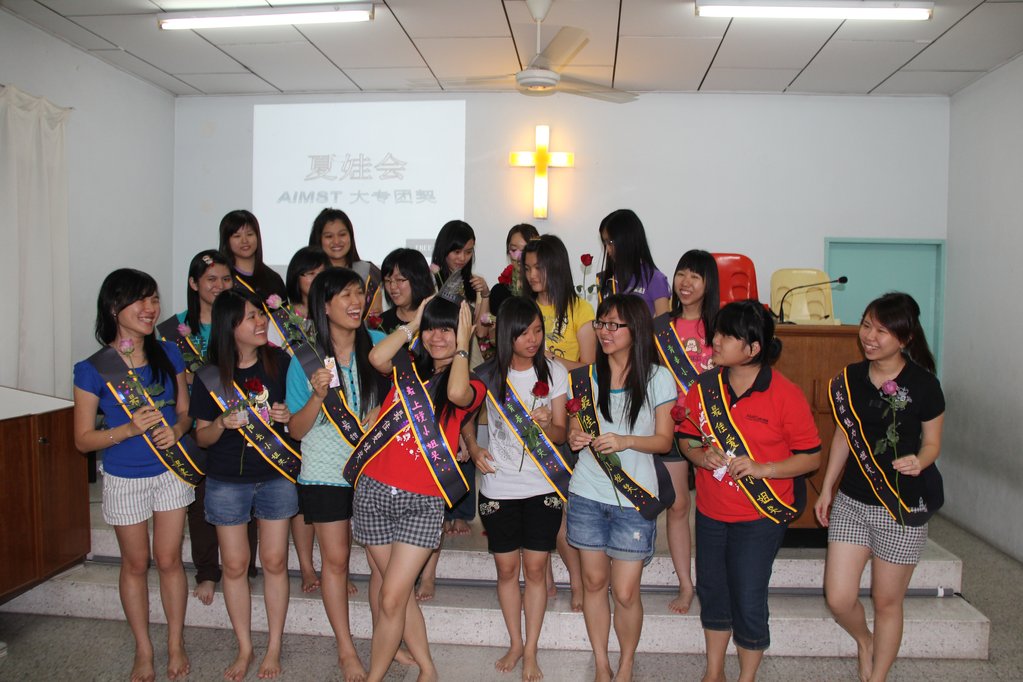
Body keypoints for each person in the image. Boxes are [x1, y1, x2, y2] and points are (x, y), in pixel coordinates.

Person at [677, 299, 821, 682]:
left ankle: (746, 677)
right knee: (712, 590)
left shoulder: (785, 394)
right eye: (717, 332)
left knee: (748, 595)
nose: (715, 340)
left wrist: (764, 469)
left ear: (754, 348)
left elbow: (811, 457)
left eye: (727, 335)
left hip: (760, 515)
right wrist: (700, 455)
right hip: (711, 512)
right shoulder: (704, 387)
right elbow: (685, 439)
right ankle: (714, 672)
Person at [346, 295, 486, 682]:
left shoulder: (473, 383)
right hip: (373, 492)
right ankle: (427, 666)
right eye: (431, 328)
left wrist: (463, 343)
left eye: (447, 329)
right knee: (400, 594)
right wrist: (413, 323)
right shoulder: (406, 367)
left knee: (392, 596)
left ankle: (374, 677)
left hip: (422, 503)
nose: (436, 336)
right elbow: (376, 356)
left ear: (462, 333)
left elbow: (456, 395)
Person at [814, 292, 945, 682]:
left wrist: (920, 460)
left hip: (902, 507)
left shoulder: (924, 385)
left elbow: (933, 443)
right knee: (839, 597)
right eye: (867, 325)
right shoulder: (850, 378)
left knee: (887, 602)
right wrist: (827, 488)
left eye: (882, 331)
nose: (870, 336)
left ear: (905, 338)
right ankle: (864, 640)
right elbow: (845, 434)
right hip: (853, 501)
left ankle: (878, 676)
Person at [73, 268, 195, 682]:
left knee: (169, 559)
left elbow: (184, 411)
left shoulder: (169, 354)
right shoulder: (93, 368)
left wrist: (177, 429)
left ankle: (175, 642)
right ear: (114, 307)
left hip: (170, 471)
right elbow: (83, 440)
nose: (150, 308)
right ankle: (144, 648)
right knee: (136, 562)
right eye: (140, 300)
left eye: (154, 299)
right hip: (125, 476)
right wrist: (127, 430)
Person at [566, 294, 676, 682]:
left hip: (634, 497)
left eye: (614, 325)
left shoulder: (658, 378)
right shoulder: (583, 378)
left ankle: (627, 662)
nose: (604, 331)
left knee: (626, 591)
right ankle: (601, 662)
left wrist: (626, 441)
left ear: (636, 330)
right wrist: (576, 436)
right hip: (587, 492)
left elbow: (664, 440)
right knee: (594, 582)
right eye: (601, 323)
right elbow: (574, 427)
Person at [190, 288, 297, 681]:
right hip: (225, 481)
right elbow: (202, 437)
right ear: (229, 326)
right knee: (234, 565)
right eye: (251, 316)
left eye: (260, 315)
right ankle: (245, 647)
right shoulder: (210, 376)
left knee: (275, 561)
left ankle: (274, 646)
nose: (260, 321)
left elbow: (300, 416)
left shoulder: (281, 362)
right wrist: (221, 423)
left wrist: (287, 415)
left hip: (274, 476)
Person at [287, 268, 387, 681]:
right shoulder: (305, 359)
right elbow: (296, 430)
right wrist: (317, 396)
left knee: (383, 563)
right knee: (336, 560)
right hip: (324, 472)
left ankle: (385, 641)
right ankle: (346, 650)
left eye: (358, 293)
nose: (356, 301)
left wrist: (382, 411)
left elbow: (405, 398)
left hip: (375, 468)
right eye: (345, 295)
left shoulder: (378, 344)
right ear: (324, 306)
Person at [466, 297, 569, 681]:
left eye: (538, 331)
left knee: (537, 569)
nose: (533, 339)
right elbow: (463, 416)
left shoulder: (555, 371)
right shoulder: (486, 375)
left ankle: (531, 650)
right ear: (507, 334)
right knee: (507, 569)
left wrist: (546, 425)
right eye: (524, 333)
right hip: (498, 487)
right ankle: (514, 642)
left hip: (541, 486)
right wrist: (473, 447)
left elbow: (561, 433)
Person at [157, 250, 259, 608]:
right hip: (199, 419)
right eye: (211, 279)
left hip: (242, 423)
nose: (219, 285)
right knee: (201, 501)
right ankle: (207, 571)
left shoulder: (240, 320)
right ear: (193, 283)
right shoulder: (174, 331)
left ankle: (243, 567)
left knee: (245, 491)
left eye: (226, 279)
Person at [521, 233, 597, 610]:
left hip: (568, 418)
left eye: (539, 267)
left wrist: (551, 361)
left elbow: (589, 367)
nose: (533, 275)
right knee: (534, 504)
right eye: (527, 268)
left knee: (564, 506)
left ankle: (578, 583)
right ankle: (545, 576)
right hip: (525, 416)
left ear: (556, 266)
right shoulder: (523, 309)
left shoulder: (580, 309)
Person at [658, 249, 720, 615]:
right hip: (672, 427)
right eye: (682, 273)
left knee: (713, 508)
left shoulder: (721, 326)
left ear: (709, 283)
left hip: (715, 428)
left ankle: (715, 579)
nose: (686, 282)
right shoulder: (661, 328)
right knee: (679, 505)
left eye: (696, 276)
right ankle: (685, 584)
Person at [430, 219, 488, 538]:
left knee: (465, 432)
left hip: (467, 363)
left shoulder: (471, 284)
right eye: (457, 251)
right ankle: (439, 508)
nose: (463, 258)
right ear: (444, 249)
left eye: (468, 252)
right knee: (439, 436)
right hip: (438, 365)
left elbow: (481, 328)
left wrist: (485, 295)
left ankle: (462, 511)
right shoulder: (431, 279)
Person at [280, 245, 332, 594]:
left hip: (331, 413)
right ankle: (306, 566)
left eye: (320, 273)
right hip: (293, 403)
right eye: (308, 273)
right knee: (302, 493)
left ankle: (333, 566)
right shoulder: (280, 318)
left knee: (325, 495)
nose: (315, 280)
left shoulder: (333, 311)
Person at [309, 207, 382, 316]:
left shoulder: (368, 272)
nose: (336, 241)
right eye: (329, 236)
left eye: (342, 234)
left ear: (350, 236)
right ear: (318, 239)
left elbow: (376, 318)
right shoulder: (310, 275)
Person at [596, 209, 671, 317]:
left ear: (627, 240)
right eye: (605, 243)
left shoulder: (654, 279)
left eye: (610, 242)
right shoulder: (606, 280)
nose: (607, 249)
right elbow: (602, 321)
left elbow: (663, 325)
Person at [218, 209, 286, 301]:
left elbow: (284, 310)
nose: (245, 241)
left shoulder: (273, 279)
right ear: (226, 241)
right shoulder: (224, 278)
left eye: (250, 234)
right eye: (237, 236)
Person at [379, 247, 436, 335]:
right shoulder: (382, 323)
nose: (392, 287)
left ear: (418, 280)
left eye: (399, 280)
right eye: (387, 280)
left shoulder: (438, 318)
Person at [488, 223, 540, 316]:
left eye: (525, 250)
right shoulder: (498, 292)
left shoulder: (540, 291)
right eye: (514, 250)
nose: (519, 257)